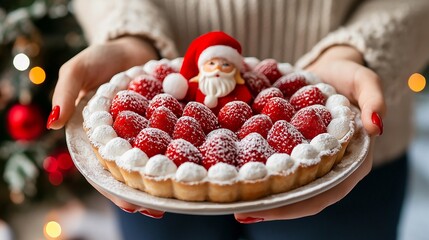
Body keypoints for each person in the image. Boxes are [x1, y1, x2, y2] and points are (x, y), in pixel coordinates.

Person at [46, 0, 429, 239]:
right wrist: (127, 30)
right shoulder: (180, 94)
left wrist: (354, 51)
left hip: (347, 143)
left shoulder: (264, 99)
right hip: (157, 191)